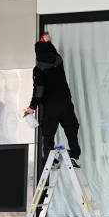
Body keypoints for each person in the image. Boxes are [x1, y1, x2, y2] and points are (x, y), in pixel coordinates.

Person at [26, 32, 81, 167]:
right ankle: (74, 155)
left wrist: (32, 107)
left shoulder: (38, 69)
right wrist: (48, 42)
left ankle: (51, 161)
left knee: (48, 134)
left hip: (51, 106)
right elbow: (52, 52)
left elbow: (39, 90)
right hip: (65, 103)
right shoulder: (58, 60)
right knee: (71, 128)